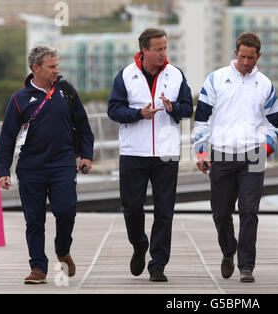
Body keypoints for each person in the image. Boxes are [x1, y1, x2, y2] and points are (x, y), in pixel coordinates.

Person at [0, 45, 94, 284]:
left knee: (66, 210)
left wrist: (86, 155)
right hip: (31, 168)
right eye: (51, 67)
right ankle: (38, 267)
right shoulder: (19, 98)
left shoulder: (66, 90)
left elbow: (83, 124)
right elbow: (8, 136)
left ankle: (62, 249)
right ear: (36, 68)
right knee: (34, 220)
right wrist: (2, 171)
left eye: (57, 65)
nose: (56, 71)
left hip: (63, 164)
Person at [194, 32, 278, 283]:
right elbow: (202, 120)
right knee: (221, 213)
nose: (245, 62)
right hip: (221, 153)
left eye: (250, 58)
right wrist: (201, 151)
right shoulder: (216, 79)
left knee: (249, 211)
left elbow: (274, 123)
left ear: (258, 56)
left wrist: (267, 148)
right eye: (242, 56)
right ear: (236, 53)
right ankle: (228, 249)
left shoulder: (265, 84)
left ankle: (246, 266)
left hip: (254, 154)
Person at [108, 28, 193, 282]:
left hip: (166, 154)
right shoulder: (126, 75)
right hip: (134, 153)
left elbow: (188, 109)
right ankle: (139, 244)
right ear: (144, 50)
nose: (163, 53)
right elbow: (114, 110)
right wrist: (137, 114)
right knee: (132, 207)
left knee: (164, 210)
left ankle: (158, 263)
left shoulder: (176, 75)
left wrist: (173, 107)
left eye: (165, 48)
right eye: (158, 49)